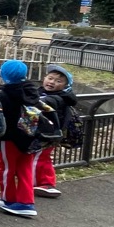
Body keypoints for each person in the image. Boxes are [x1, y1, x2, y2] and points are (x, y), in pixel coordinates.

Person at [0, 60, 42, 218]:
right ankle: (26, 201)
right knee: (25, 169)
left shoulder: (3, 95)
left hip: (10, 138)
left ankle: (8, 199)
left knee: (6, 169)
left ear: (4, 75)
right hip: (29, 136)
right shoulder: (32, 91)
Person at [34, 64, 77, 199]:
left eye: (58, 81)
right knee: (43, 157)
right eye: (50, 78)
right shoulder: (43, 92)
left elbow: (45, 103)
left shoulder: (58, 98)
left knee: (38, 157)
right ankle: (45, 182)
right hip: (47, 133)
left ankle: (43, 183)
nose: (52, 82)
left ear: (65, 86)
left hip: (47, 133)